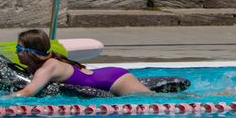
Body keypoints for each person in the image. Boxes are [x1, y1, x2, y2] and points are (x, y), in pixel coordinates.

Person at [9, 29, 151, 97]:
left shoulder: (49, 66)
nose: (16, 52)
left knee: (155, 99)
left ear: (31, 52)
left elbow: (27, 92)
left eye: (19, 48)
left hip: (115, 80)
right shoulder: (38, 67)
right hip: (105, 74)